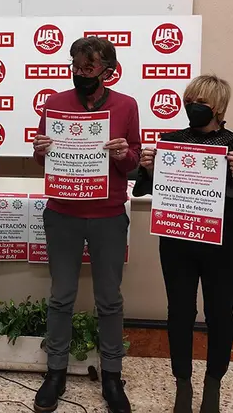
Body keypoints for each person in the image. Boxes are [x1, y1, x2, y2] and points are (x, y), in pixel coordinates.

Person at [132, 74, 233, 413]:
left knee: (220, 314)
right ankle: (183, 384)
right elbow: (147, 191)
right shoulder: (171, 142)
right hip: (177, 239)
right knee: (179, 312)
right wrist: (148, 169)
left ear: (218, 107)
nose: (192, 107)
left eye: (201, 102)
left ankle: (213, 385)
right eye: (188, 101)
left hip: (222, 242)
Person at [31, 36, 140, 413]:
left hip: (108, 215)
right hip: (63, 213)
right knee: (61, 296)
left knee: (109, 300)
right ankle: (55, 371)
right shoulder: (55, 103)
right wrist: (40, 150)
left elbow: (134, 160)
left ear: (107, 71)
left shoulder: (126, 105)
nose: (80, 73)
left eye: (88, 68)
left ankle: (112, 375)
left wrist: (124, 153)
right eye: (75, 66)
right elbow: (41, 159)